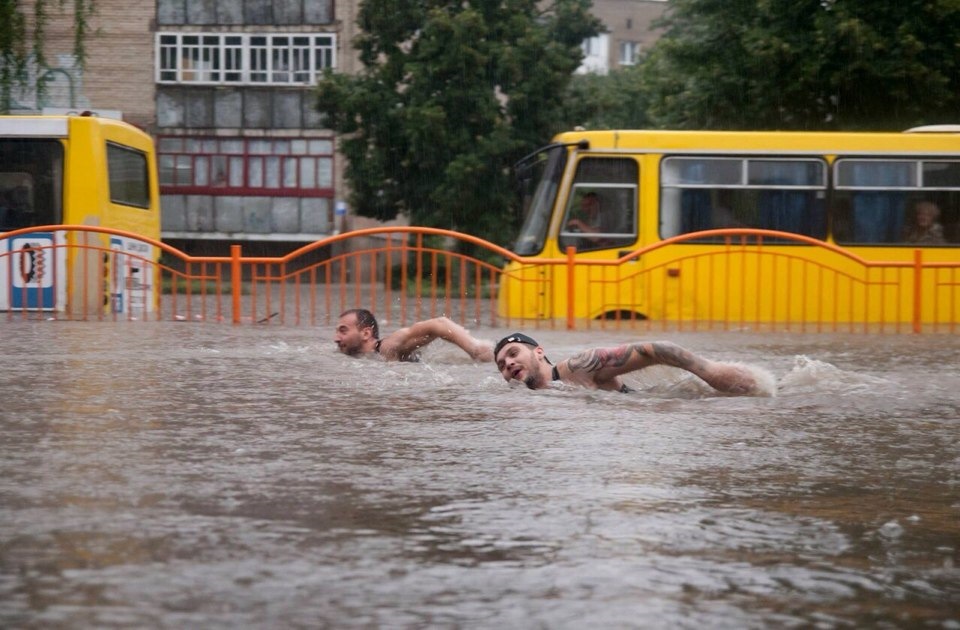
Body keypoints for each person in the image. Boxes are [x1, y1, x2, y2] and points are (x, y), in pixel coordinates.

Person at [493, 332, 774, 396]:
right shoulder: (525, 401)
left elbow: (656, 349)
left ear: (539, 352)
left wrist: (711, 372)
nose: (509, 363)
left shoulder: (578, 367)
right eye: (502, 365)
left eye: (513, 353)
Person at [334, 308, 494, 362]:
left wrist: (475, 349)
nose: (336, 338)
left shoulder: (387, 347)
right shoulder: (360, 357)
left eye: (343, 330)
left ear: (366, 333)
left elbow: (440, 324)